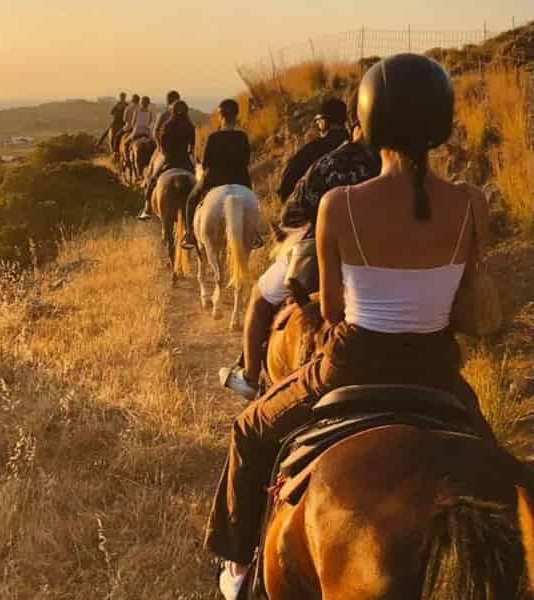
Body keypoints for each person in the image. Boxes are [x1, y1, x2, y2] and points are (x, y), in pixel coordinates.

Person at [204, 54, 496, 598]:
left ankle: (240, 566)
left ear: (369, 119)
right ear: (441, 123)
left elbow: (334, 313)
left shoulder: (338, 204)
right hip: (437, 368)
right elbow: (467, 307)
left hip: (352, 361)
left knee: (249, 430)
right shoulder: (471, 203)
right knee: (493, 462)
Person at [219, 89, 382, 398]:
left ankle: (251, 377)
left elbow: (291, 209)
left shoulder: (327, 162)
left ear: (353, 121)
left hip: (318, 254)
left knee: (259, 297)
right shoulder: (396, 166)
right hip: (380, 258)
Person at [180, 99, 252, 249]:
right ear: (236, 116)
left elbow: (205, 162)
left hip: (214, 180)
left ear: (221, 116)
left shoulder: (213, 138)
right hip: (240, 180)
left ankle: (190, 235)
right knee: (251, 202)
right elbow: (246, 161)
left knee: (191, 200)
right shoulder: (243, 137)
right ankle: (254, 234)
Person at [276, 98, 349, 203]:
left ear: (324, 122)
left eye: (318, 122)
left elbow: (286, 187)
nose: (317, 126)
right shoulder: (359, 146)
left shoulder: (311, 151)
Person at [138, 100, 196, 220]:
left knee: (151, 180)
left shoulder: (167, 125)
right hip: (185, 161)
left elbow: (163, 148)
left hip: (169, 161)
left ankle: (147, 208)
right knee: (198, 181)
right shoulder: (190, 126)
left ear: (172, 111)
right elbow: (192, 147)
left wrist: (166, 152)